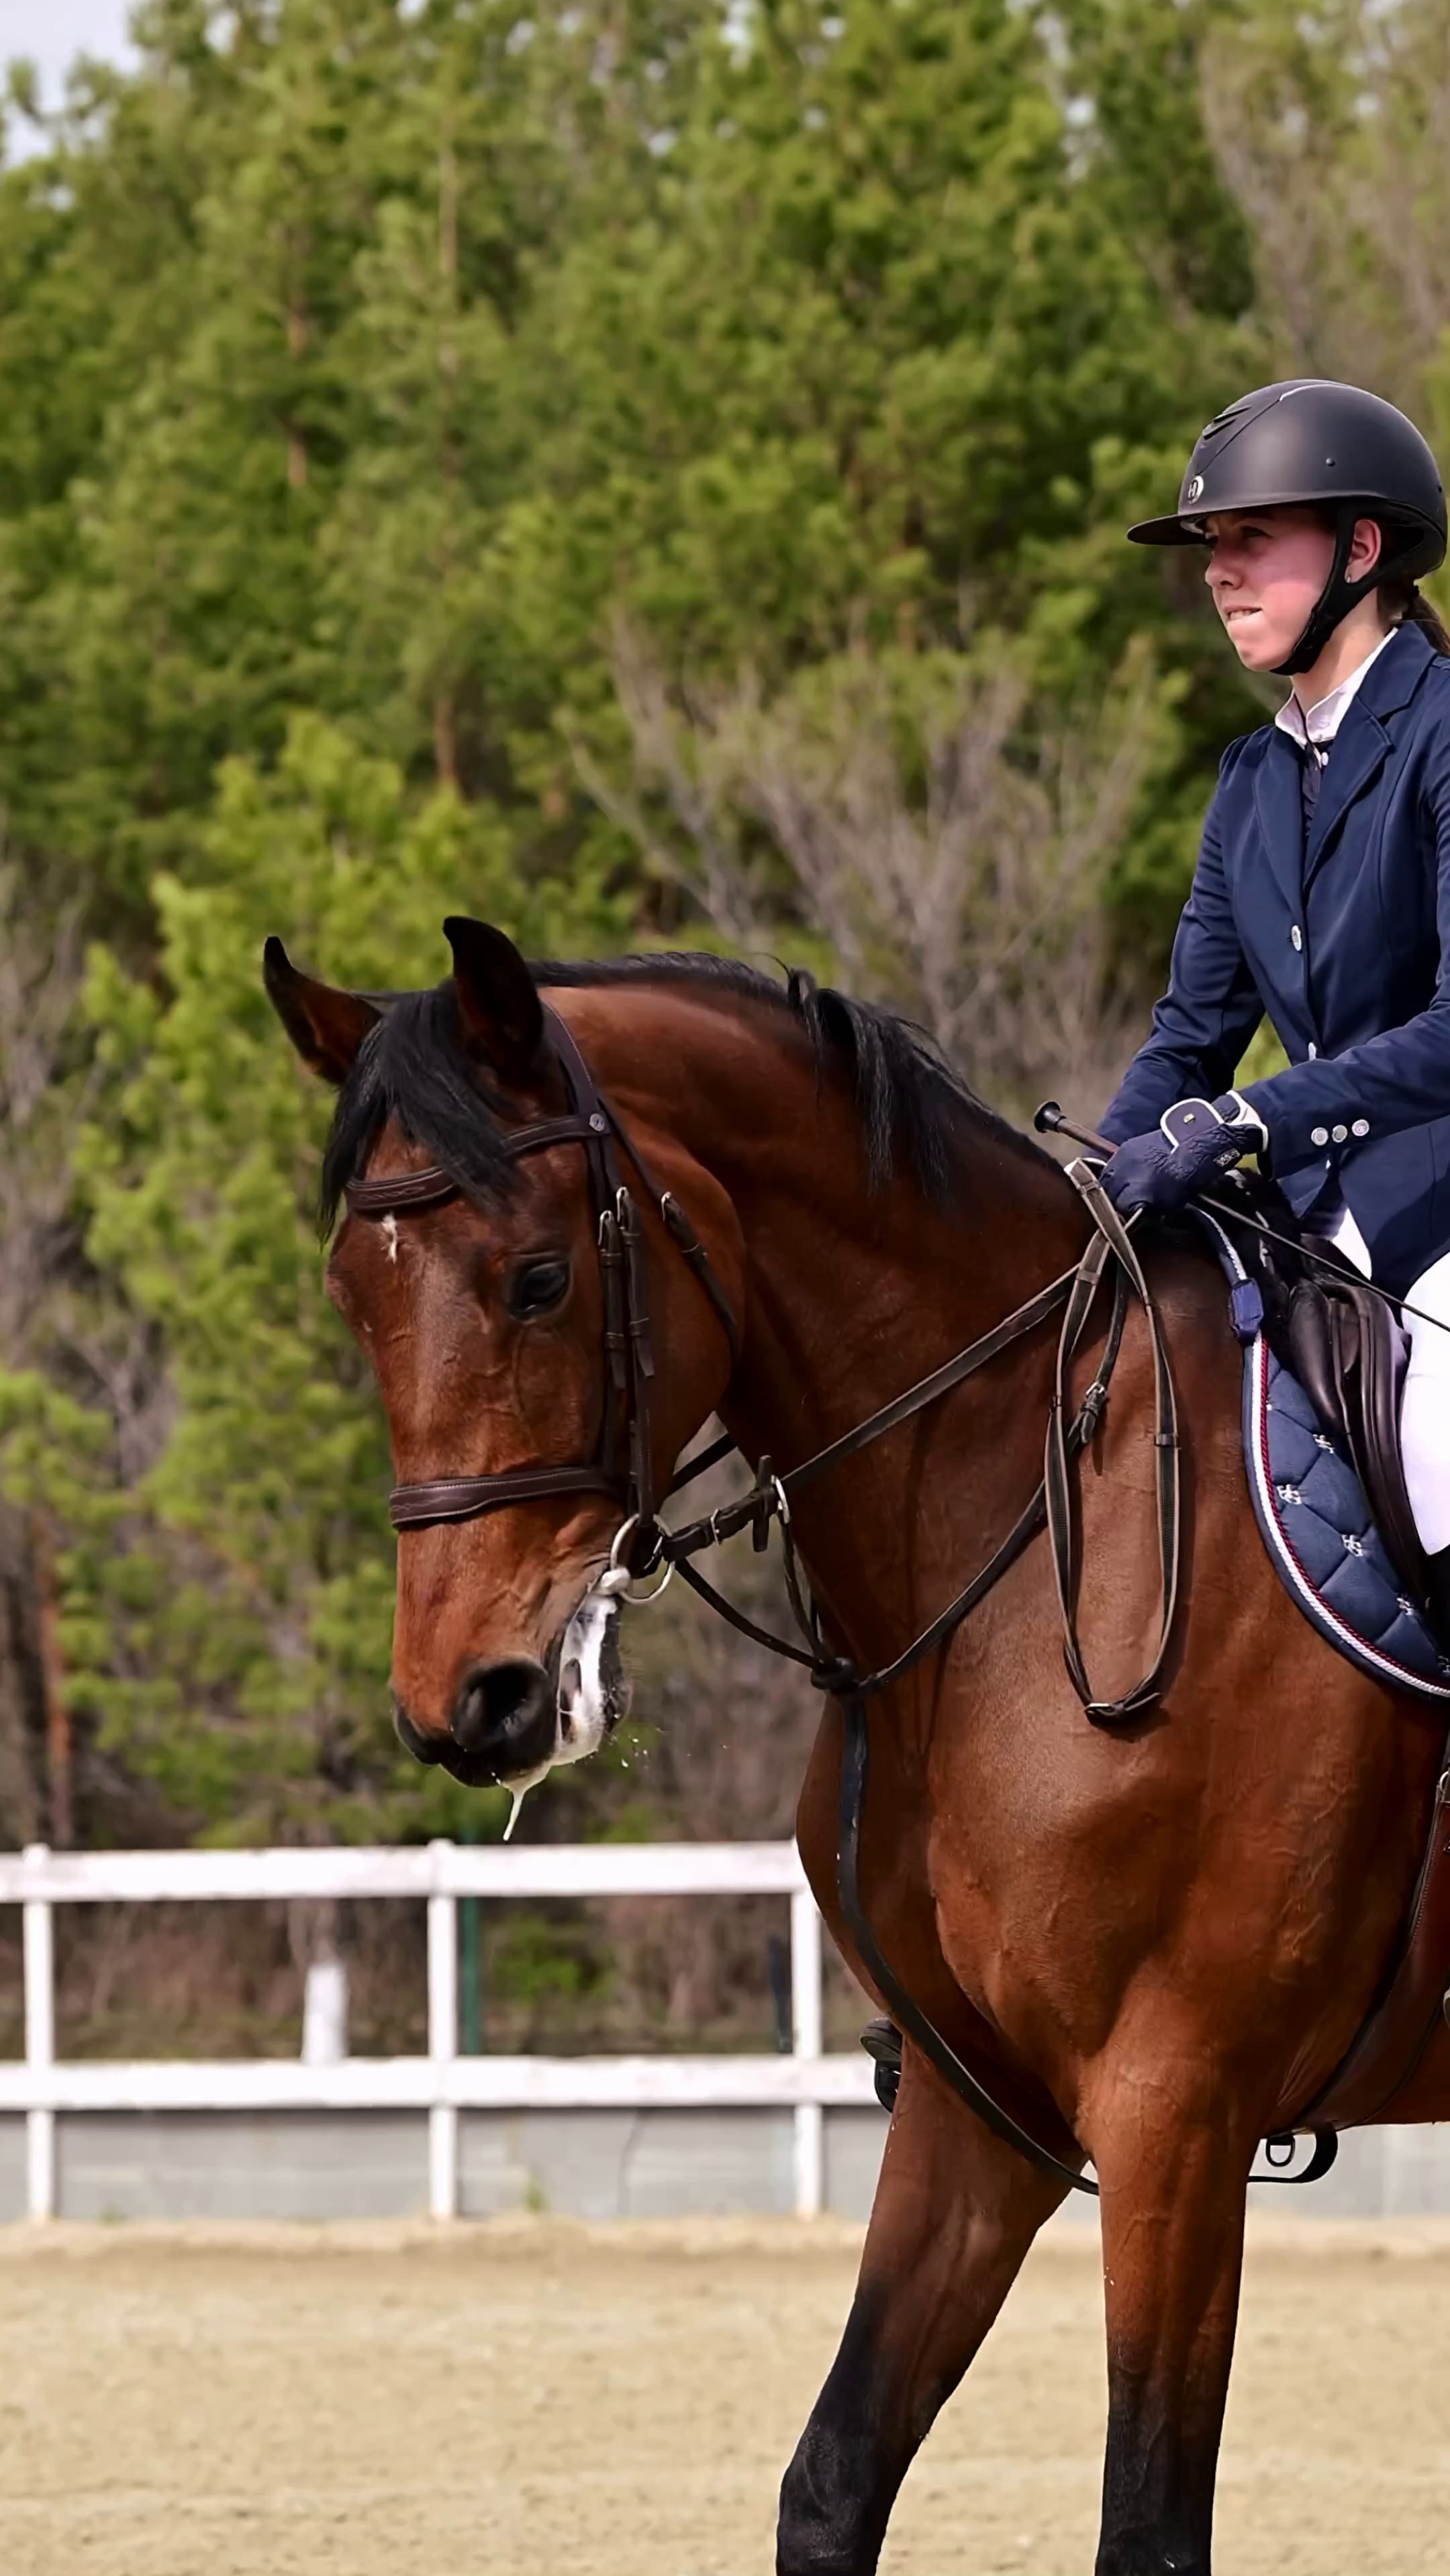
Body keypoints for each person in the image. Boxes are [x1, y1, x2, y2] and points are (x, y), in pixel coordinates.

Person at [1098, 377, 1450, 1614]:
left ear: (1362, 548)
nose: (1219, 571)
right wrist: (1089, 1181)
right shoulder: (1251, 780)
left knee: (1443, 1450)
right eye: (1213, 545)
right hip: (1310, 1222)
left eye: (1252, 538)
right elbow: (1189, 1042)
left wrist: (1251, 1121)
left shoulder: (1445, 734)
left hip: (1439, 1220)